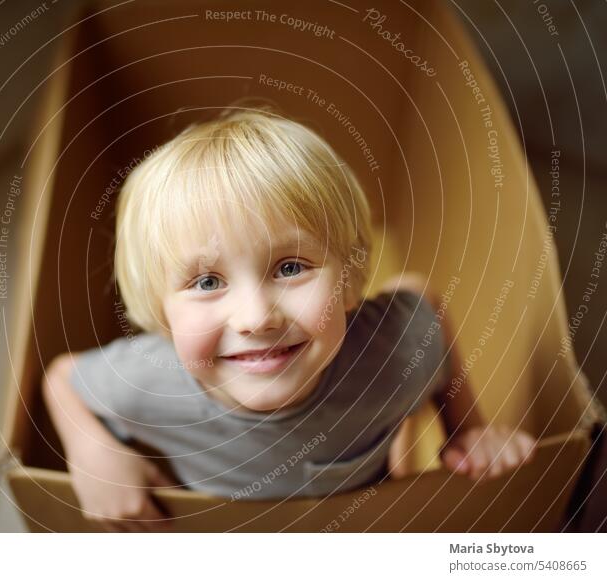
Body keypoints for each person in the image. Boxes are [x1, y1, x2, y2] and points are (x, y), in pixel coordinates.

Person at [42, 108, 536, 532]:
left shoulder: (390, 351)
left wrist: (467, 429)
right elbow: (62, 378)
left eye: (291, 267)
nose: (256, 318)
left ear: (349, 281)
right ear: (161, 313)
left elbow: (423, 306)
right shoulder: (147, 382)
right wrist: (93, 453)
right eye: (208, 282)